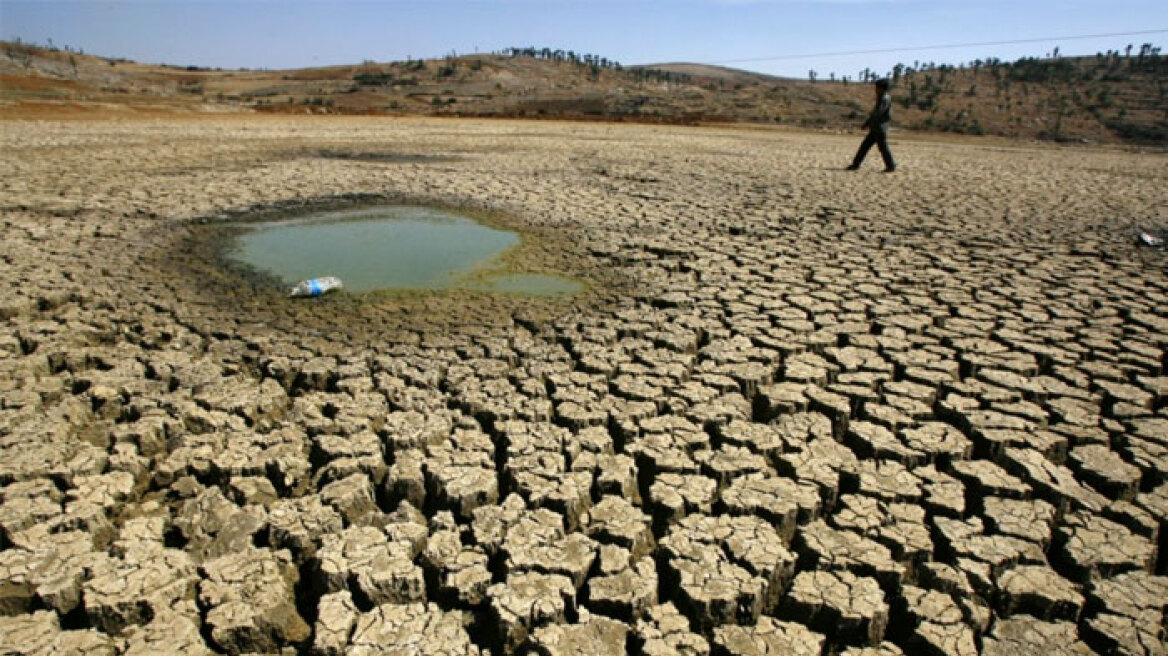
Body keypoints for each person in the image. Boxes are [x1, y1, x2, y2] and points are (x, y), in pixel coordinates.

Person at [847, 79, 895, 172]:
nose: (875, 90)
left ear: (881, 88)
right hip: (876, 127)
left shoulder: (884, 98)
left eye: (877, 87)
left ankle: (891, 166)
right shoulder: (884, 97)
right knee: (865, 146)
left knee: (881, 147)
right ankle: (856, 164)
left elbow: (878, 113)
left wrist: (867, 123)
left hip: (879, 127)